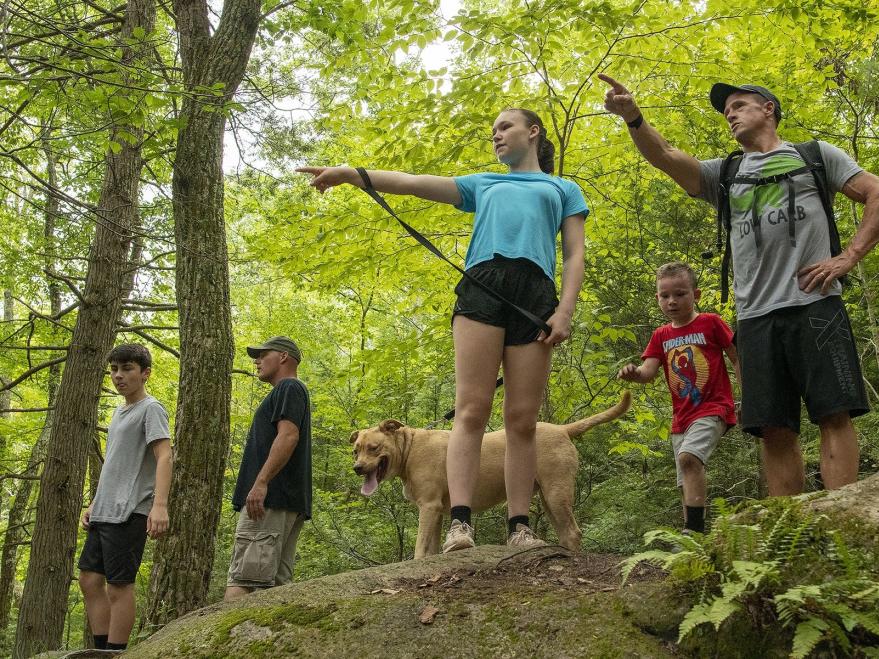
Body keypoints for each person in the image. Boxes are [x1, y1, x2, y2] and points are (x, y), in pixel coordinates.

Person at [297, 107, 588, 551]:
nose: (496, 135)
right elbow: (413, 182)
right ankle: (460, 525)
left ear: (532, 132)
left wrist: (565, 311)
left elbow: (572, 255)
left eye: (504, 127)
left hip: (535, 297)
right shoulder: (483, 183)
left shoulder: (563, 188)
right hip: (482, 288)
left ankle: (519, 527)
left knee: (522, 420)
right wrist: (351, 174)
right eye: (492, 130)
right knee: (471, 410)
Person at [600, 75, 879, 496]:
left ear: (768, 109)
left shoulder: (814, 157)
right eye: (727, 112)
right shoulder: (725, 174)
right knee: (774, 428)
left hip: (817, 307)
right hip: (755, 319)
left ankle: (841, 518)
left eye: (739, 105)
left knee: (835, 414)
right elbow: (666, 155)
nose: (730, 114)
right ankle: (790, 534)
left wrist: (848, 256)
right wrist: (633, 117)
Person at [618, 262, 739, 533]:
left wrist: (751, 396)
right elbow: (647, 372)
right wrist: (632, 373)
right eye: (665, 296)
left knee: (688, 458)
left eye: (680, 294)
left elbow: (735, 356)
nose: (672, 301)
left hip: (713, 407)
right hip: (681, 418)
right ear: (658, 298)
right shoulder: (661, 335)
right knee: (686, 477)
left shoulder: (711, 323)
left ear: (695, 295)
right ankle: (692, 543)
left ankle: (694, 530)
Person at [78, 344, 172, 651]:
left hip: (130, 511)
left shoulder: (151, 408)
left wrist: (159, 506)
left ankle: (115, 653)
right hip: (105, 510)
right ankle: (100, 650)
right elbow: (115, 464)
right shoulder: (119, 412)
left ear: (145, 373)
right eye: (114, 370)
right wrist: (94, 503)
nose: (119, 376)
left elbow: (164, 456)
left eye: (127, 369)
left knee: (119, 586)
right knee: (90, 581)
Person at [225, 336, 312, 600]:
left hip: (268, 502)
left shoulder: (288, 387)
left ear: (284, 357)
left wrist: (260, 482)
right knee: (274, 588)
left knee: (243, 584)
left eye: (263, 354)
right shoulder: (291, 390)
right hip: (283, 501)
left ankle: (228, 643)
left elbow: (288, 436)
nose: (256, 360)